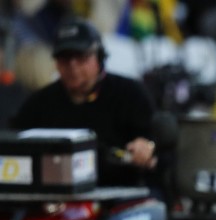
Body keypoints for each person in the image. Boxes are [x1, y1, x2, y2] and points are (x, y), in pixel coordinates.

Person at [10, 18, 159, 188]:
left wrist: (146, 146)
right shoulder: (39, 103)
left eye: (81, 57)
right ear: (56, 64)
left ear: (99, 57)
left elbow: (156, 141)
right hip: (56, 197)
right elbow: (16, 146)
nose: (73, 66)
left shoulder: (131, 94)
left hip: (121, 192)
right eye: (65, 59)